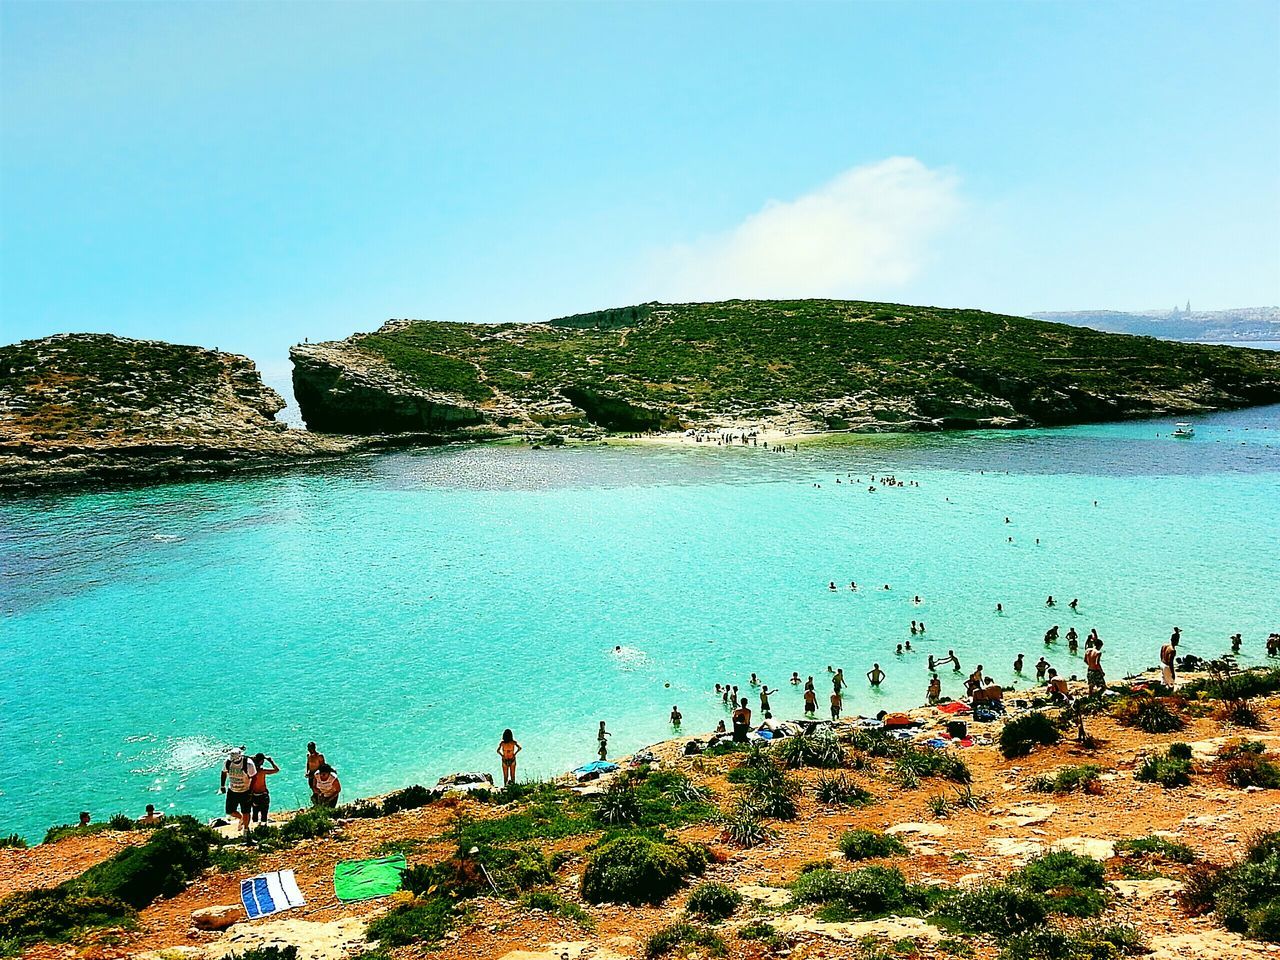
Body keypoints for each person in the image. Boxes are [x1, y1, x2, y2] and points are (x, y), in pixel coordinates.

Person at [220, 747, 257, 833]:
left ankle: (246, 830)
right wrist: (222, 786)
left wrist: (251, 791)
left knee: (246, 811)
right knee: (229, 811)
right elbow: (223, 772)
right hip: (232, 790)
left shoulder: (248, 764)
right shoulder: (227, 762)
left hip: (245, 791)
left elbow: (254, 777)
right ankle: (241, 818)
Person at [249, 753, 280, 825]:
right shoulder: (262, 771)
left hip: (254, 795)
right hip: (263, 795)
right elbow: (276, 770)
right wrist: (271, 761)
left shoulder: (251, 771)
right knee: (264, 813)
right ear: (261, 761)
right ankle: (264, 827)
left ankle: (255, 828)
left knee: (255, 813)